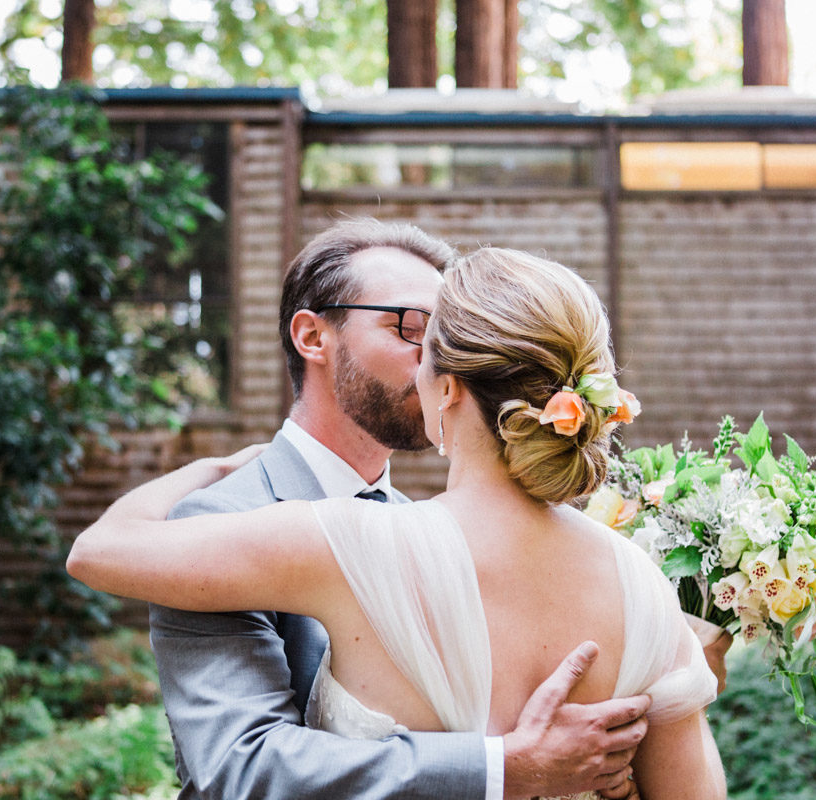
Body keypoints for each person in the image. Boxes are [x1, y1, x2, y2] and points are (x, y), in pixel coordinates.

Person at [69, 239, 726, 799]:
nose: (420, 360)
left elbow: (99, 552)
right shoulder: (638, 581)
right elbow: (238, 770)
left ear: (448, 387)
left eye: (432, 339)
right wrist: (510, 771)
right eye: (409, 325)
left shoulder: (354, 539)